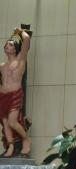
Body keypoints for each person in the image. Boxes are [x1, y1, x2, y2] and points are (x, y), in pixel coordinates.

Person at [0, 27, 31, 157]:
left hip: (15, 95)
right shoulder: (2, 65)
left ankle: (26, 139)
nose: (7, 46)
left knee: (12, 122)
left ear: (15, 49)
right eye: (6, 44)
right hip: (2, 96)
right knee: (5, 122)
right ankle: (10, 146)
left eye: (11, 44)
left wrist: (19, 31)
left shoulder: (20, 61)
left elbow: (27, 39)